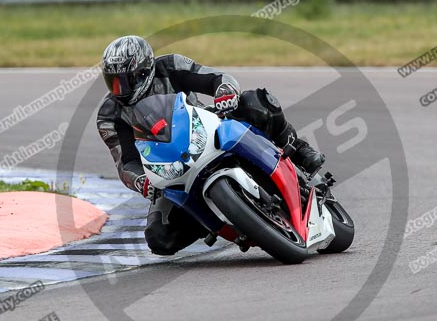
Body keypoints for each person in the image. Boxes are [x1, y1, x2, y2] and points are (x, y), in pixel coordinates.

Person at [97, 35, 325, 255]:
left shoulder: (170, 66)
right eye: (114, 83)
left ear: (145, 71)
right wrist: (140, 180)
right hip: (171, 169)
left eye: (128, 80)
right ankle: (222, 217)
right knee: (159, 238)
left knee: (255, 102)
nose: (121, 90)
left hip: (207, 129)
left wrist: (224, 92)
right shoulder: (109, 115)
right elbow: (125, 162)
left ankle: (300, 152)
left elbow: (215, 77)